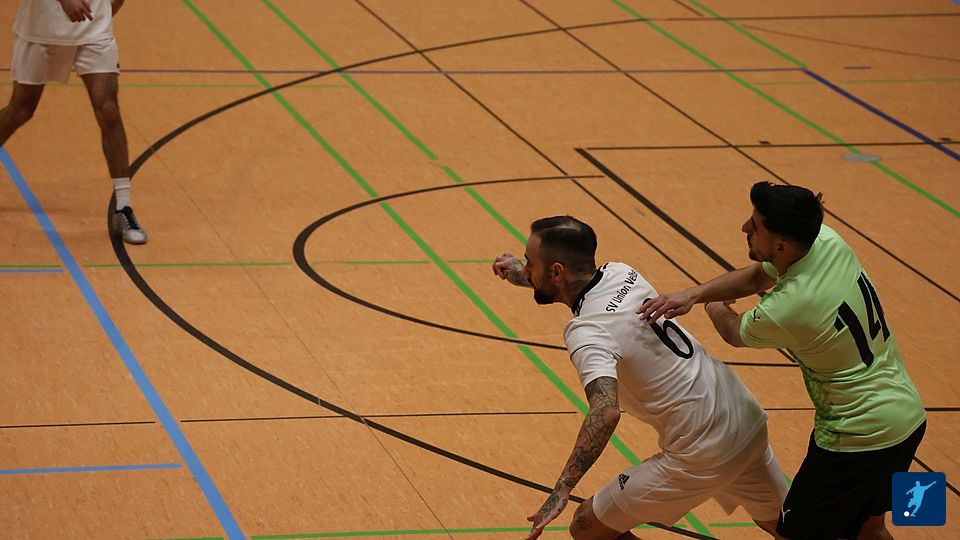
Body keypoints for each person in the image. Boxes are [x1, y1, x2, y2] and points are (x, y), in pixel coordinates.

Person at [637, 182, 926, 540]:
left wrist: (712, 305)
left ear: (780, 246)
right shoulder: (826, 241)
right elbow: (761, 274)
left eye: (755, 226)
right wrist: (693, 295)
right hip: (906, 419)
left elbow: (734, 332)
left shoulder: (789, 308)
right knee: (870, 528)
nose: (745, 227)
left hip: (856, 436)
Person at [493, 216, 788, 540]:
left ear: (556, 272)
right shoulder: (622, 273)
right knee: (785, 526)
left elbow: (606, 412)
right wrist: (519, 273)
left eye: (529, 262)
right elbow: (561, 282)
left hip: (701, 450)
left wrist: (563, 488)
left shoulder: (587, 331)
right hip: (744, 417)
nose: (526, 267)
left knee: (588, 527)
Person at [2, 0, 146, 244]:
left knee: (108, 110)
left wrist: (110, 8)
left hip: (94, 30)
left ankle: (123, 207)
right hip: (42, 28)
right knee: (21, 110)